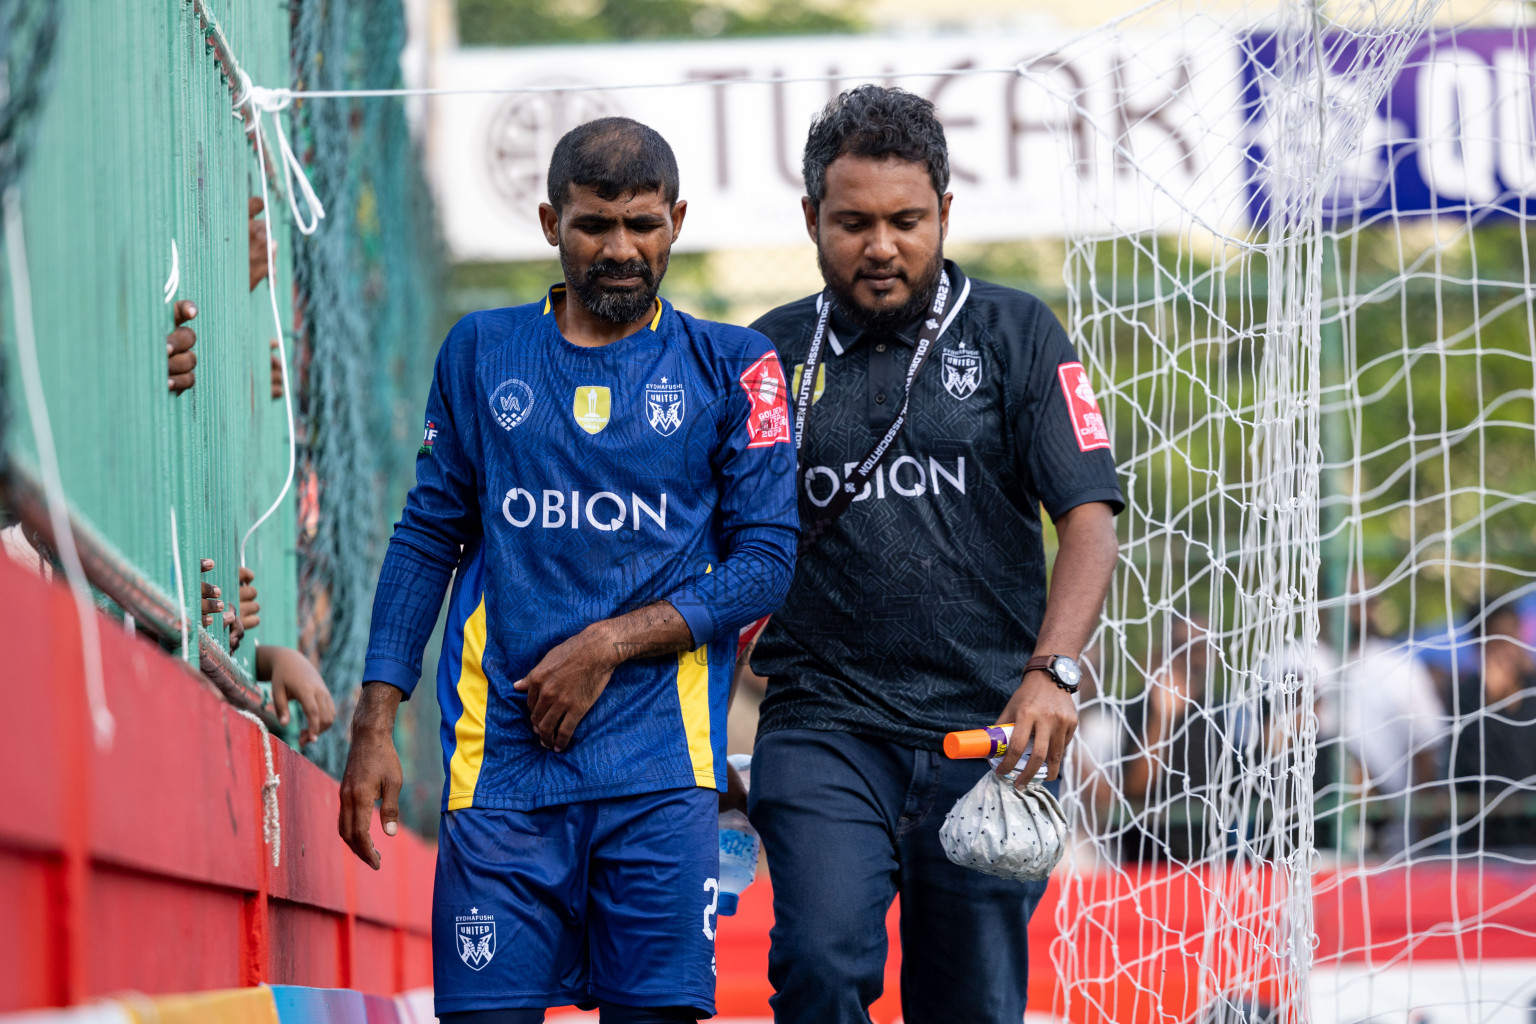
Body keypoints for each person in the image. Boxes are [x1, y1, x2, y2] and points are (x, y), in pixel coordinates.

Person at [337, 118, 798, 1024]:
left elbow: (767, 565)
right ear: (551, 222)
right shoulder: (481, 352)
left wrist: (608, 645)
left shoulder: (737, 366)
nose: (621, 248)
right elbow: (429, 534)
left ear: (678, 222)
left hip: (661, 773)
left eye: (644, 224)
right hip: (500, 769)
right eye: (595, 224)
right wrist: (374, 722)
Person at [743, 86, 1123, 1024]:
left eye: (907, 220)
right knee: (820, 964)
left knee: (974, 1007)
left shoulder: (1015, 331)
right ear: (811, 220)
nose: (882, 245)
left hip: (992, 734)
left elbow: (1089, 515)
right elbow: (718, 542)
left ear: (945, 213)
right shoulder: (764, 354)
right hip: (824, 724)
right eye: (854, 222)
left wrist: (1053, 676)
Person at [1452, 601, 1536, 854]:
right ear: (1481, 645)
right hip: (1485, 839)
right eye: (1499, 639)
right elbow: (1470, 768)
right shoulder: (1465, 696)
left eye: (1514, 635)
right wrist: (1491, 704)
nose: (1510, 648)